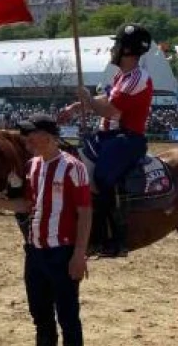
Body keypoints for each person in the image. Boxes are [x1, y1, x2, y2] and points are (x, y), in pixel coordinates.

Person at [0, 115, 92, 346]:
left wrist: (79, 254)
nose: (27, 140)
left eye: (32, 135)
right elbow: (28, 205)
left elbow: (85, 212)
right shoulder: (32, 166)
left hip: (62, 252)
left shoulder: (73, 168)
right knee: (41, 317)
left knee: (67, 317)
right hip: (36, 252)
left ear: (50, 137)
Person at [59, 23, 154, 258]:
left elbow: (109, 109)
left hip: (127, 139)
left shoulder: (137, 78)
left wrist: (88, 100)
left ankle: (116, 237)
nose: (113, 49)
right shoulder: (122, 77)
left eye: (117, 44)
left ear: (127, 50)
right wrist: (75, 106)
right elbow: (106, 97)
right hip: (108, 138)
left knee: (102, 176)